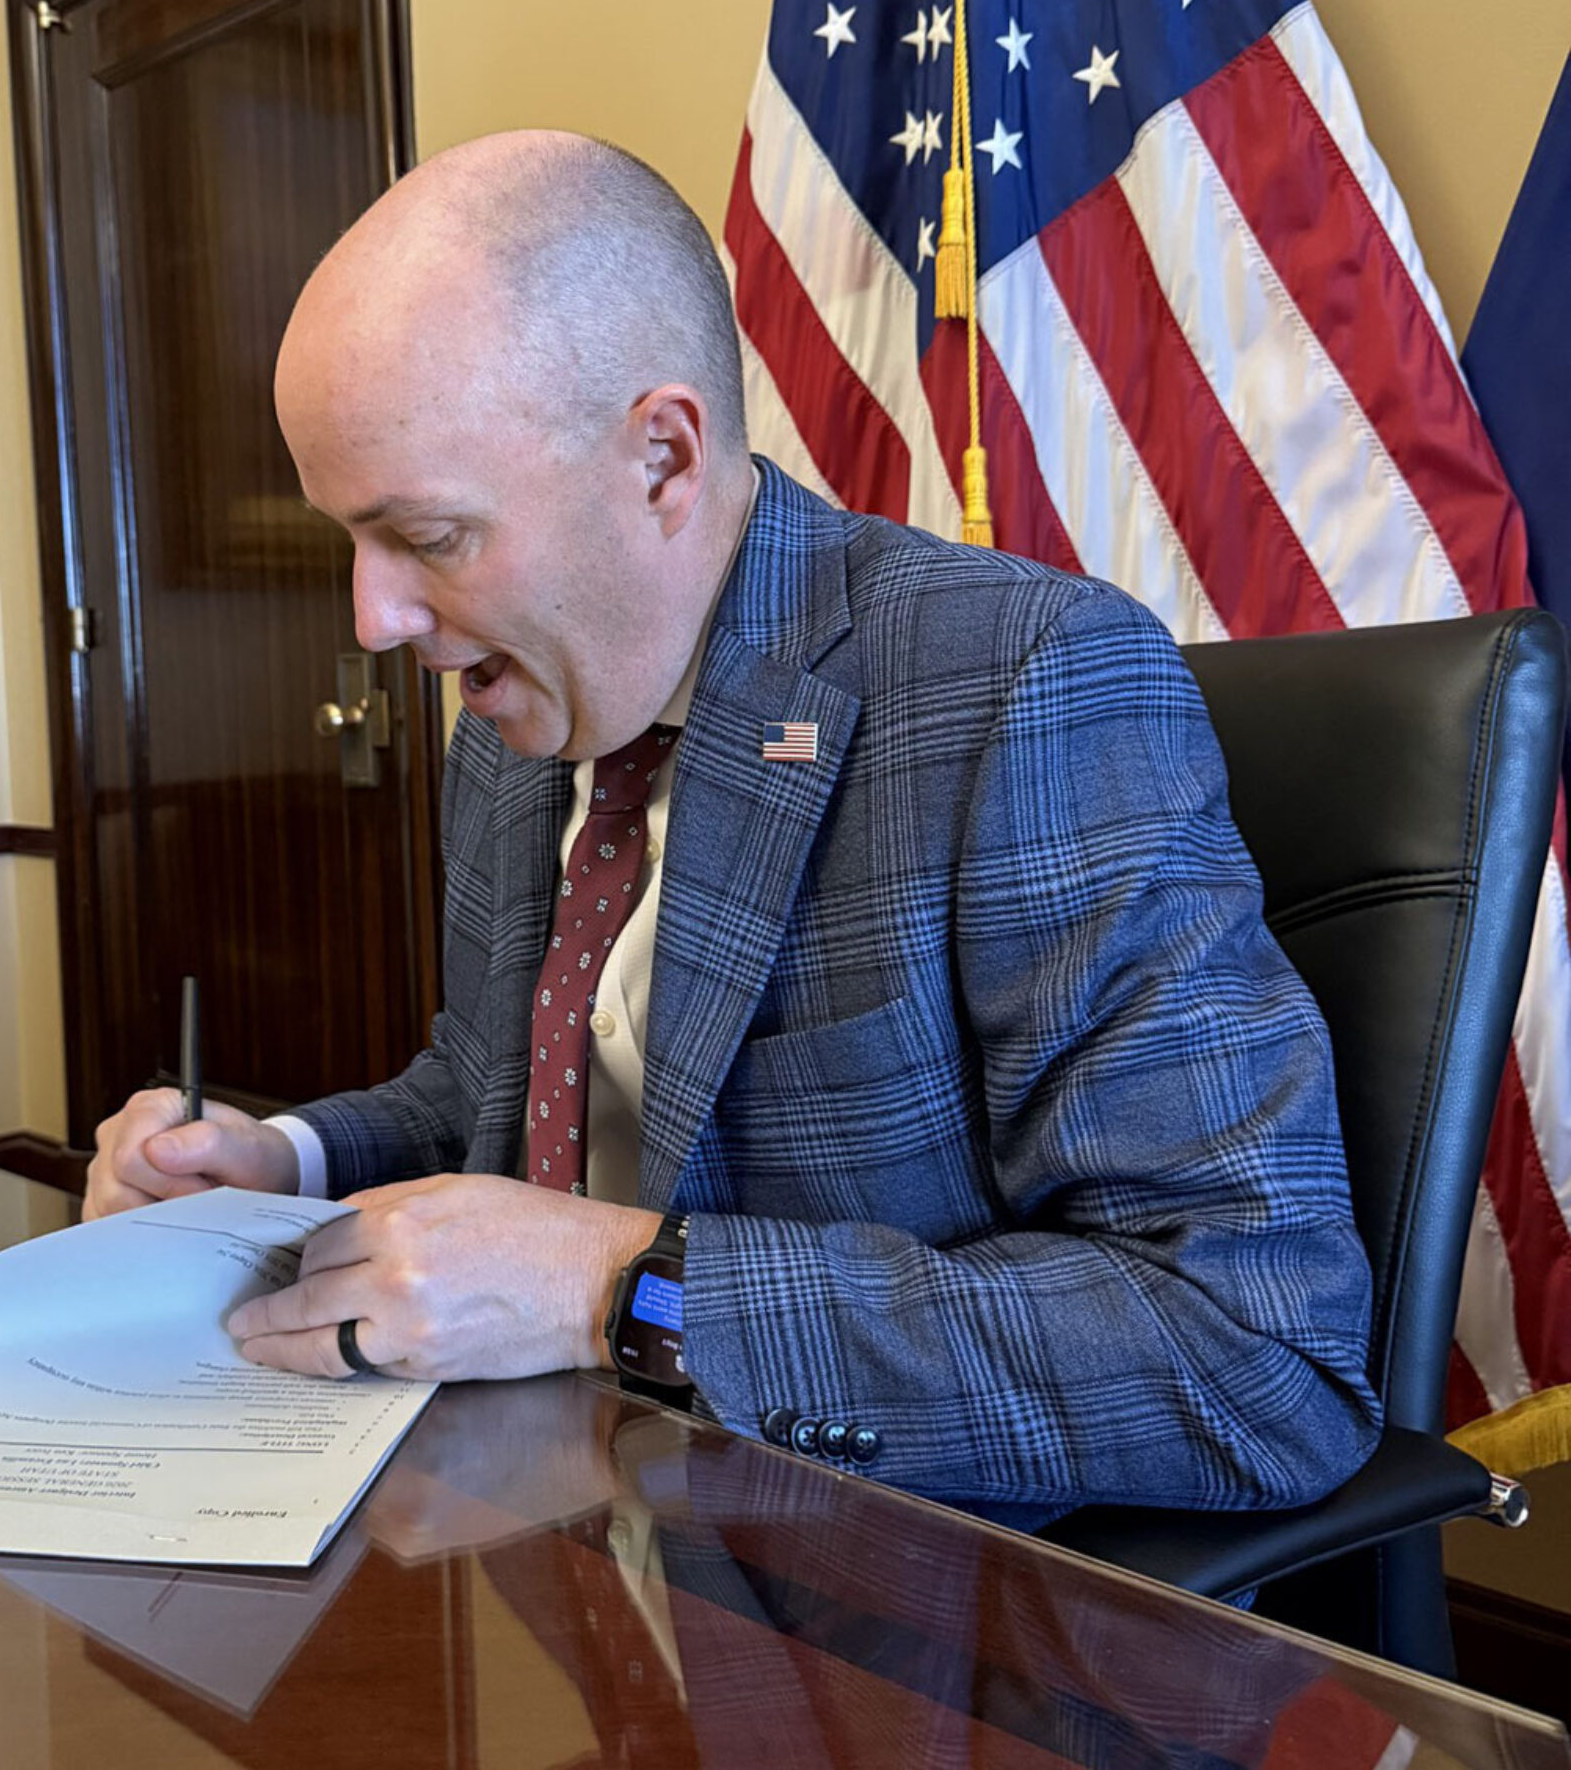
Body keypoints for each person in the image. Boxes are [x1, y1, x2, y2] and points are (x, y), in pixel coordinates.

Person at [85, 130, 1380, 1525]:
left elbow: (1255, 1358)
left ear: (662, 456)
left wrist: (611, 1285)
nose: (374, 619)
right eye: (353, 538)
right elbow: (495, 1093)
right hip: (567, 1552)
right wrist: (281, 1164)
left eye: (433, 538)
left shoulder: (1022, 690)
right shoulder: (523, 720)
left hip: (896, 1620)